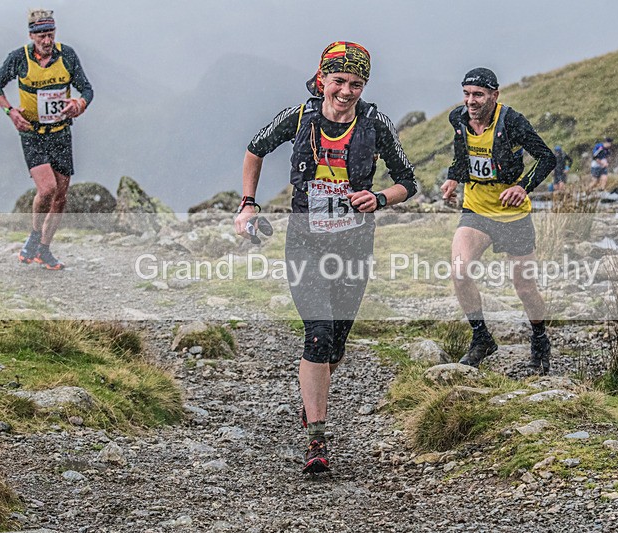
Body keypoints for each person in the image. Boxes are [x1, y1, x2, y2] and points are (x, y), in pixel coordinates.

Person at [235, 42, 416, 474]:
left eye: (356, 84)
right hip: (305, 242)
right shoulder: (299, 117)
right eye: (338, 82)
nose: (346, 91)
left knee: (334, 344)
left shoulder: (375, 123)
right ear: (322, 80)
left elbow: (408, 181)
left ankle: (313, 391)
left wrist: (379, 197)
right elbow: (254, 150)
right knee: (316, 334)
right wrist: (248, 204)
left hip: (355, 245)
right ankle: (317, 438)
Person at [440, 67, 556, 374]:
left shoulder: (513, 122)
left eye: (478, 94)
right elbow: (461, 157)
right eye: (466, 94)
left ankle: (540, 338)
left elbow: (547, 158)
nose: (471, 101)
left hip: (513, 215)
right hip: (476, 209)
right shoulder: (459, 119)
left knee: (525, 288)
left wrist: (522, 187)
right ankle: (481, 338)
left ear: (494, 94)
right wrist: (453, 179)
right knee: (459, 270)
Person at [0, 9, 93, 270]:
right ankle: (34, 237)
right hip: (32, 133)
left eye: (51, 35)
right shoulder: (19, 58)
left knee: (60, 196)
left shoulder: (67, 55)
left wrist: (80, 103)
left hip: (60, 132)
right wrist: (10, 111)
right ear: (31, 36)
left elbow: (87, 89)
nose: (47, 41)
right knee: (46, 189)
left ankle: (44, 251)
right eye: (41, 37)